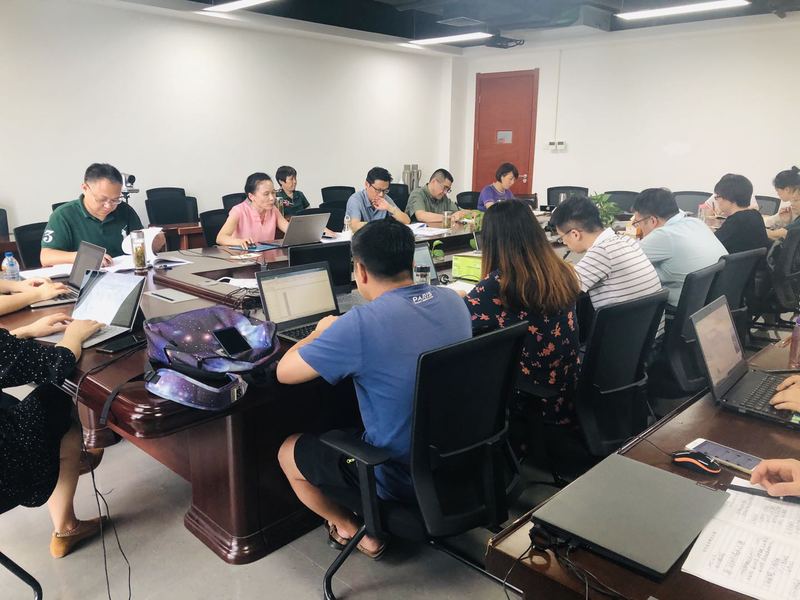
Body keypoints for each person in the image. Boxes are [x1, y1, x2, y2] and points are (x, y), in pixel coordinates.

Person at [276, 219, 470, 557]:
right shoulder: (453, 300)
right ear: (411, 261)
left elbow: (284, 372)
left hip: (399, 475)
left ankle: (354, 531)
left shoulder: (360, 324)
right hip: (461, 458)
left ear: (360, 270)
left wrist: (318, 333)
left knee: (288, 451)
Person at [464, 200, 581, 425]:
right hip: (567, 388)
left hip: (529, 392)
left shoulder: (499, 284)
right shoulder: (562, 270)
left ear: (492, 241)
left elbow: (458, 319)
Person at [0, 312, 105, 558]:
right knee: (57, 398)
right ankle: (67, 526)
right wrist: (74, 335)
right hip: (8, 476)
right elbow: (56, 362)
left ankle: (71, 461)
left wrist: (26, 331)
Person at [550, 195, 662, 311]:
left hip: (622, 322)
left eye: (562, 237)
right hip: (648, 321)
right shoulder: (627, 240)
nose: (563, 242)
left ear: (575, 234)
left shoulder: (602, 251)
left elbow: (559, 290)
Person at [632, 188, 727, 307]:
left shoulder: (664, 235)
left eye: (638, 223)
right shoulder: (696, 222)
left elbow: (624, 260)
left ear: (652, 220)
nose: (639, 227)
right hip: (713, 304)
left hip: (681, 307)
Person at [41, 163, 144, 267]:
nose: (108, 206)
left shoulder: (125, 210)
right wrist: (81, 256)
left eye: (115, 200)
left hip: (124, 272)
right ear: (85, 188)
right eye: (101, 199)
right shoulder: (63, 215)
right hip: (85, 275)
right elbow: (46, 257)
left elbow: (141, 242)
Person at [216, 172, 289, 248]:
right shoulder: (238, 211)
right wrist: (239, 242)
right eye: (266, 194)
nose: (272, 198)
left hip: (268, 254)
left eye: (273, 192)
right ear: (251, 196)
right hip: (243, 254)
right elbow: (220, 238)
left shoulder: (273, 210)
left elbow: (290, 230)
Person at [711, 174, 772, 254]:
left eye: (717, 197)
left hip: (731, 261)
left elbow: (711, 245)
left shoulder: (736, 221)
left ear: (729, 198)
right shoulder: (755, 215)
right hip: (753, 261)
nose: (717, 201)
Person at [345, 167, 410, 232]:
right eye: (378, 190)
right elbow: (354, 226)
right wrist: (382, 225)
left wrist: (389, 208)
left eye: (385, 190)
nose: (381, 194)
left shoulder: (385, 198)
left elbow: (407, 221)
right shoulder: (355, 199)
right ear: (367, 184)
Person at [766, 166, 800, 241]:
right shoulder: (790, 209)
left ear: (787, 189)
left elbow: (779, 234)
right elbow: (791, 234)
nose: (792, 204)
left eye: (778, 190)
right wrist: (787, 222)